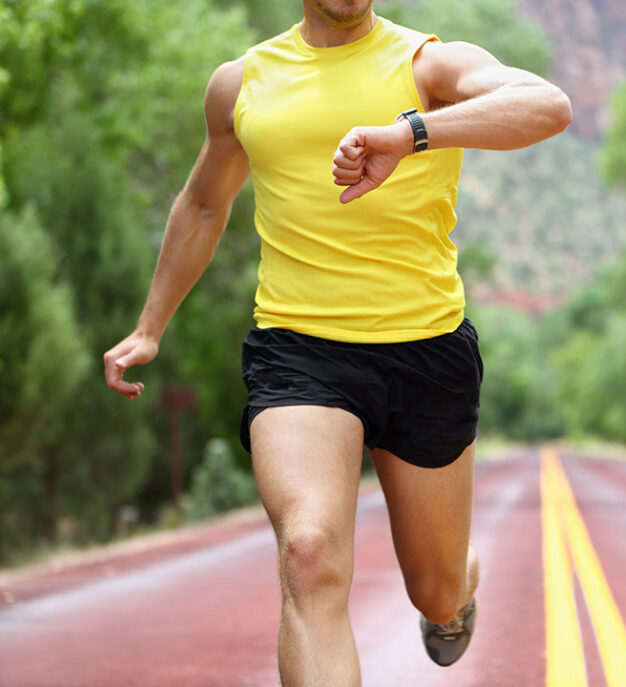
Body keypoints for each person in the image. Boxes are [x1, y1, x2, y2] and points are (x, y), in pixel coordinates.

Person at [101, 1, 571, 685]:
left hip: (425, 349)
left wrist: (412, 133)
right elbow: (204, 202)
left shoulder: (428, 63)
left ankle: (458, 585)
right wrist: (150, 325)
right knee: (309, 552)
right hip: (299, 351)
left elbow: (546, 106)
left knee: (434, 589)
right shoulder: (243, 82)